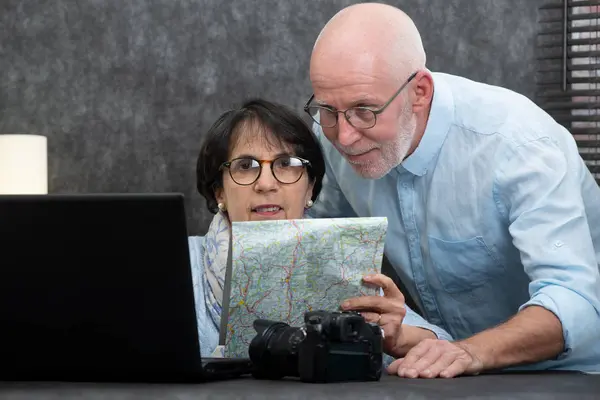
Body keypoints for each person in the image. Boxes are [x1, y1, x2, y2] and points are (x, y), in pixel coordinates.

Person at [304, 3, 600, 378]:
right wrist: (414, 334)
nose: (343, 137)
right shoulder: (330, 136)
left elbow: (576, 302)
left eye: (365, 110)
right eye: (328, 110)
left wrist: (467, 352)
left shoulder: (519, 145)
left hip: (573, 377)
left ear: (420, 92)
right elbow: (324, 256)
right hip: (445, 373)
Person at [187, 98, 446, 358]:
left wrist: (398, 337)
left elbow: (443, 343)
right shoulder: (174, 259)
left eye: (286, 164)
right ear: (219, 190)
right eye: (245, 166)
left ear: (310, 187)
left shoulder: (344, 260)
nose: (266, 184)